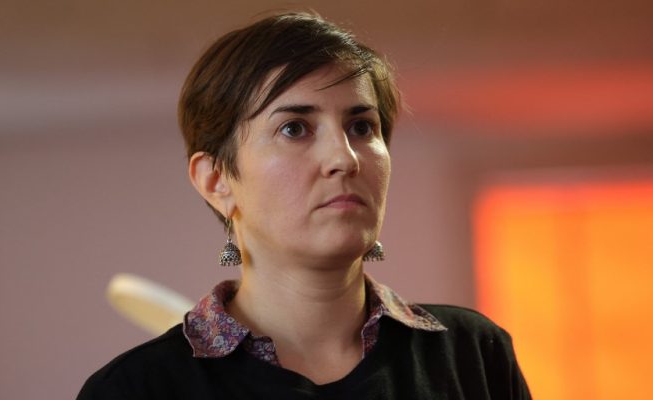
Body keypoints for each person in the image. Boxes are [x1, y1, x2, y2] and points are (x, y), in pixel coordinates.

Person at [78, 11, 531, 399]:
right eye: (294, 128)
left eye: (361, 127)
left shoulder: (473, 354)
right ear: (216, 180)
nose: (344, 159)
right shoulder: (136, 388)